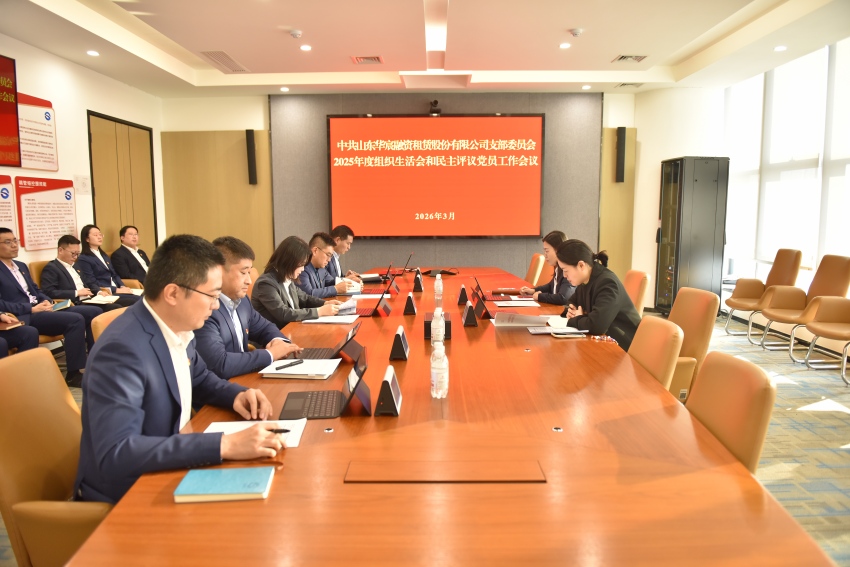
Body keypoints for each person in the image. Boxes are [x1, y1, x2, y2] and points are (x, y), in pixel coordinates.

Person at [74, 234, 284, 504]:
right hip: (130, 492)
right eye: (211, 295)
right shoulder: (121, 350)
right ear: (173, 293)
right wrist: (225, 444)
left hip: (173, 461)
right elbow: (118, 452)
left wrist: (237, 395)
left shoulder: (177, 325)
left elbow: (200, 378)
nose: (216, 305)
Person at [0, 227, 101, 386]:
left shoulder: (20, 266)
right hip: (24, 315)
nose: (14, 245)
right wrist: (31, 308)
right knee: (75, 319)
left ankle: (88, 363)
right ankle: (72, 374)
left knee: (87, 314)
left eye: (15, 241)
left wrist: (47, 300)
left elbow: (36, 290)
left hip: (41, 309)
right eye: (8, 242)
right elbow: (1, 303)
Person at [196, 236, 302, 379]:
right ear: (219, 271)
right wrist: (270, 354)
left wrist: (277, 340)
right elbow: (220, 365)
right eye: (243, 272)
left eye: (249, 272)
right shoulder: (206, 310)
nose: (249, 281)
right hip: (224, 385)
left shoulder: (242, 301)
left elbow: (264, 327)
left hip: (244, 378)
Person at [557, 239, 642, 352]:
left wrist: (576, 319)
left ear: (581, 265)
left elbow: (596, 325)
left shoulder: (607, 283)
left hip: (622, 348)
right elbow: (571, 303)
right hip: (603, 342)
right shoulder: (585, 281)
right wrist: (572, 312)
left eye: (565, 270)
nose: (564, 275)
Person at [252, 235, 341, 327]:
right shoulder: (266, 283)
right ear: (289, 261)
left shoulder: (287, 277)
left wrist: (325, 303)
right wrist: (319, 311)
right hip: (277, 333)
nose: (303, 269)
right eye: (301, 265)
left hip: (293, 328)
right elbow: (284, 313)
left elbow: (305, 298)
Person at [40, 235, 134, 311]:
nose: (75, 257)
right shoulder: (52, 268)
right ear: (60, 250)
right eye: (73, 253)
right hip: (76, 303)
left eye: (78, 253)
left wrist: (99, 291)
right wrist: (76, 293)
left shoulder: (76, 266)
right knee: (115, 308)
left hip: (91, 299)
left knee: (131, 301)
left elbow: (88, 282)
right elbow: (49, 292)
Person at [75, 224, 139, 302]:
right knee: (138, 300)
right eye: (95, 235)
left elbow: (114, 274)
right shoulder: (84, 259)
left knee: (144, 296)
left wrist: (122, 286)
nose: (99, 237)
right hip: (106, 292)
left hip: (117, 289)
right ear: (87, 239)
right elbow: (91, 281)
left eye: (100, 234)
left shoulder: (104, 255)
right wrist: (116, 289)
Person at [520, 230, 576, 305]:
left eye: (547, 251)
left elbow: (562, 298)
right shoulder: (558, 268)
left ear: (558, 250)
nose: (545, 255)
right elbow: (550, 286)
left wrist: (540, 296)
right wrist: (533, 290)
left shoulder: (567, 270)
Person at [296, 232, 353, 298]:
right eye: (328, 255)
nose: (329, 260)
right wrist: (335, 289)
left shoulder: (321, 268)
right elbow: (308, 295)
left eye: (331, 256)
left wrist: (347, 280)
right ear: (315, 251)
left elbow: (331, 282)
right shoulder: (302, 269)